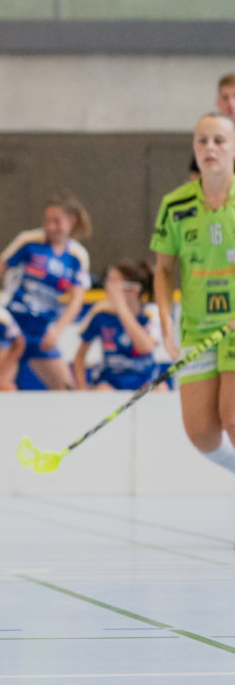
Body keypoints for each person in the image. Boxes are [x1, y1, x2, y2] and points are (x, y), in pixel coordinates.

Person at [152, 113, 235, 477]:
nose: (209, 148)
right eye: (202, 141)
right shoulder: (175, 205)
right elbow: (164, 270)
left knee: (233, 416)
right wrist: (166, 327)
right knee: (201, 433)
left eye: (218, 140)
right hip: (198, 328)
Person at [0, 191, 92, 391]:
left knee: (67, 389)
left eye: (56, 221)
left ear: (72, 220)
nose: (50, 227)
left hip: (41, 330)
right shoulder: (29, 241)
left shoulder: (77, 256)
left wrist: (57, 330)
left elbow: (76, 301)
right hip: (13, 325)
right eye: (47, 221)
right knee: (1, 387)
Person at [74, 260, 165, 392]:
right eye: (108, 282)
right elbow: (79, 356)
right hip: (110, 381)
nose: (108, 287)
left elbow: (145, 347)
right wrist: (81, 388)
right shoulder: (101, 313)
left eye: (114, 283)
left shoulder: (150, 313)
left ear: (133, 289)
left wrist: (122, 308)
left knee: (161, 390)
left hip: (144, 379)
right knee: (102, 392)